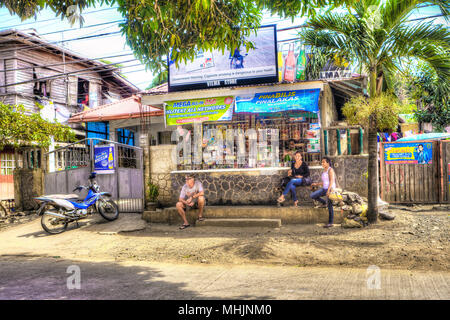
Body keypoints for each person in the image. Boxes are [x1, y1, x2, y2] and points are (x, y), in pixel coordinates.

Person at [310, 157, 336, 228]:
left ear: (328, 163)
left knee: (330, 206)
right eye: (322, 162)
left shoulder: (330, 170)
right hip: (324, 188)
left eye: (324, 162)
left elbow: (331, 181)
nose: (322, 163)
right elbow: (325, 182)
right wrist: (316, 184)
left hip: (330, 189)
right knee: (312, 195)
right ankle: (324, 203)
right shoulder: (324, 170)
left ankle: (330, 222)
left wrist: (328, 191)